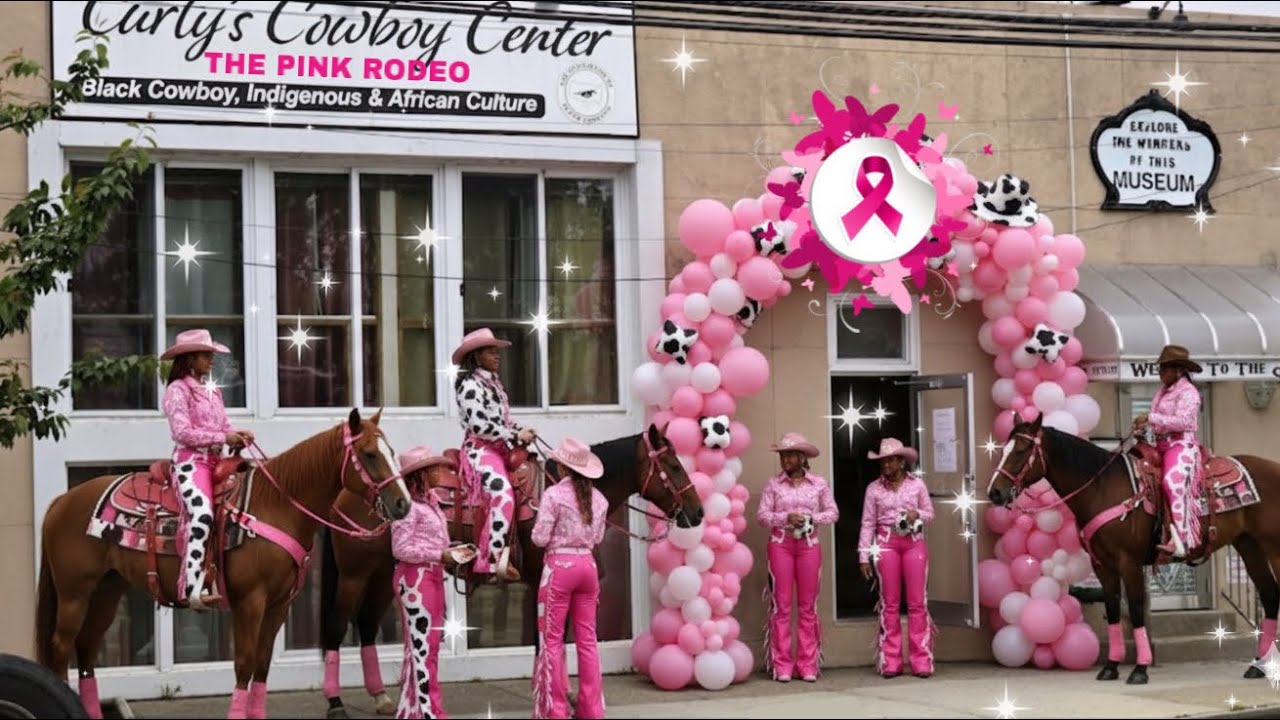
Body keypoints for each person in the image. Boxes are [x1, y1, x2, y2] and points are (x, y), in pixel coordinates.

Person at [159, 328, 255, 611]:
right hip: (191, 462)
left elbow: (223, 426)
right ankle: (191, 588)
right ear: (189, 360)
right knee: (201, 515)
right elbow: (182, 432)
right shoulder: (177, 391)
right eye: (206, 355)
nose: (211, 360)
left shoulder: (211, 392)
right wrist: (223, 438)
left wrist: (237, 434)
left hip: (217, 461)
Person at [390, 445, 477, 719]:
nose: (438, 473)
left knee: (430, 646)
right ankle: (425, 712)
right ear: (419, 474)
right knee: (422, 648)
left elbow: (432, 541)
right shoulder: (406, 507)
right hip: (415, 579)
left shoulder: (430, 502)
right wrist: (441, 554)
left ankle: (426, 708)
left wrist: (453, 549)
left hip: (432, 574)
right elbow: (400, 549)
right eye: (432, 469)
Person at [530, 437, 608, 720]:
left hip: (559, 567)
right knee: (587, 640)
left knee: (552, 639)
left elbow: (539, 538)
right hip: (588, 566)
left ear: (563, 468)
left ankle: (555, 710)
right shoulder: (600, 500)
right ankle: (591, 709)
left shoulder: (553, 495)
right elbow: (597, 537)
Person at [452, 328, 535, 582]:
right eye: (490, 351)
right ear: (476, 356)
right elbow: (479, 426)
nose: (496, 354)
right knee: (502, 494)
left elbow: (502, 421)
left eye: (496, 350)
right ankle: (490, 560)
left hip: (499, 449)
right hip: (479, 450)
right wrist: (513, 436)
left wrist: (519, 430)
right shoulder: (469, 385)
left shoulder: (494, 384)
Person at [756, 432, 838, 683]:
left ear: (802, 458)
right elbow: (761, 516)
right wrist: (785, 518)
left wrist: (811, 518)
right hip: (780, 546)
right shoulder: (773, 484)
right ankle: (782, 665)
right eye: (782, 455)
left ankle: (807, 664)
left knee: (808, 607)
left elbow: (833, 513)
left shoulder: (819, 484)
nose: (785, 460)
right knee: (781, 606)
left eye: (790, 455)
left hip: (809, 546)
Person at [858, 437, 937, 679]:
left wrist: (917, 514)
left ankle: (921, 659)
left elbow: (930, 513)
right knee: (889, 603)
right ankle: (890, 660)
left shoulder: (917, 485)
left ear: (902, 462)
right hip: (885, 543)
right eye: (884, 460)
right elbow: (868, 522)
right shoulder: (874, 488)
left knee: (917, 602)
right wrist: (863, 555)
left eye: (892, 460)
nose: (887, 464)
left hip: (913, 543)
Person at [1132, 344, 1205, 559]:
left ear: (1179, 370)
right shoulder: (1162, 392)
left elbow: (1184, 421)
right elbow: (1159, 422)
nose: (1160, 373)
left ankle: (1181, 539)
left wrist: (1151, 418)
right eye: (1160, 369)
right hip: (1159, 445)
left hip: (1181, 445)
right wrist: (1145, 427)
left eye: (1164, 369)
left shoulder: (1189, 392)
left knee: (1171, 483)